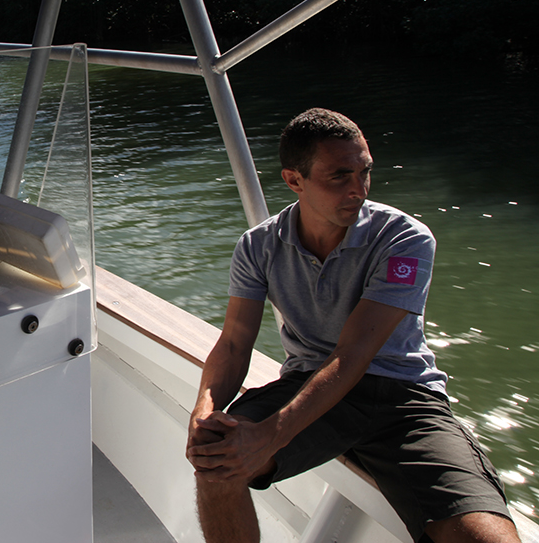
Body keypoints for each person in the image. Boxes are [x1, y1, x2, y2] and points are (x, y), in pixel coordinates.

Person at [186, 108, 518, 543]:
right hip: (308, 383)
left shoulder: (404, 239)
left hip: (403, 396)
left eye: (364, 173)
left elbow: (354, 354)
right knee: (217, 461)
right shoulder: (259, 245)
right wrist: (203, 411)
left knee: (485, 537)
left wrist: (271, 434)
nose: (357, 190)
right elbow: (233, 344)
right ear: (294, 180)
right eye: (339, 176)